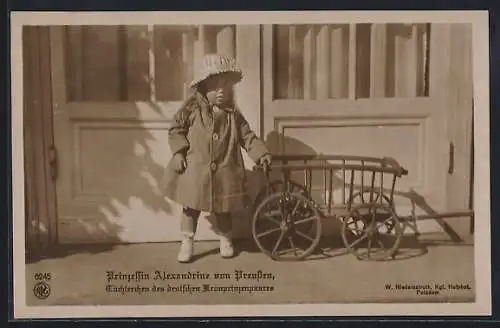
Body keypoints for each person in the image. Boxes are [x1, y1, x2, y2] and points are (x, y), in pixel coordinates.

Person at [162, 53, 272, 263]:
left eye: (226, 85)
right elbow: (176, 129)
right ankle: (187, 241)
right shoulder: (192, 108)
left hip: (224, 168)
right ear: (203, 86)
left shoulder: (233, 113)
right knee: (190, 207)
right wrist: (178, 152)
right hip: (195, 168)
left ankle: (225, 239)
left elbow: (247, 136)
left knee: (224, 208)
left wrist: (261, 153)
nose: (221, 91)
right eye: (215, 86)